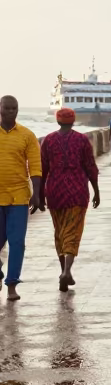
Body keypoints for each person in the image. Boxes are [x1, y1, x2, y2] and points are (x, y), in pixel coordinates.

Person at [40, 109, 100, 291]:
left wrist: (40, 194)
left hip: (55, 192)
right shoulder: (82, 140)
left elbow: (42, 170)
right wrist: (97, 191)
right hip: (77, 192)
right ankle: (67, 271)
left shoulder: (48, 140)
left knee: (60, 232)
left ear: (58, 122)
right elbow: (91, 167)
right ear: (73, 122)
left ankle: (63, 272)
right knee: (72, 233)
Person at [0, 95, 42, 302]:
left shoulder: (27, 135)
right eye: (7, 108)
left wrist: (37, 194)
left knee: (17, 243)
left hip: (18, 198)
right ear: (0, 108)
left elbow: (35, 166)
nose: (11, 112)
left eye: (14, 108)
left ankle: (12, 285)